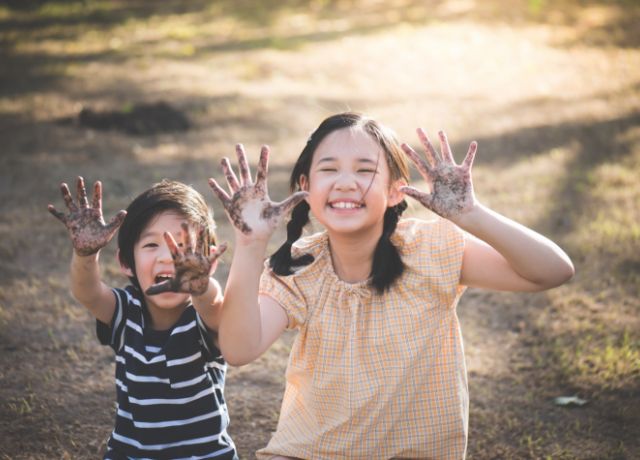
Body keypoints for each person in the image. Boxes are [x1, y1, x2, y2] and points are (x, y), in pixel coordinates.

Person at [208, 112, 575, 459]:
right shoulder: (299, 268)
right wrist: (250, 244)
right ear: (305, 187)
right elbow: (240, 350)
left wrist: (471, 215)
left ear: (397, 191)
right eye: (329, 169)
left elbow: (553, 271)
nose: (346, 182)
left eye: (365, 170)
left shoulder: (431, 250)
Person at [48, 178, 238, 459]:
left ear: (209, 261)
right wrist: (85, 254)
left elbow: (214, 305)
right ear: (126, 262)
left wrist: (203, 286)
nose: (167, 257)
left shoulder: (202, 317)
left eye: (183, 247)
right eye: (151, 245)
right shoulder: (126, 312)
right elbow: (87, 293)